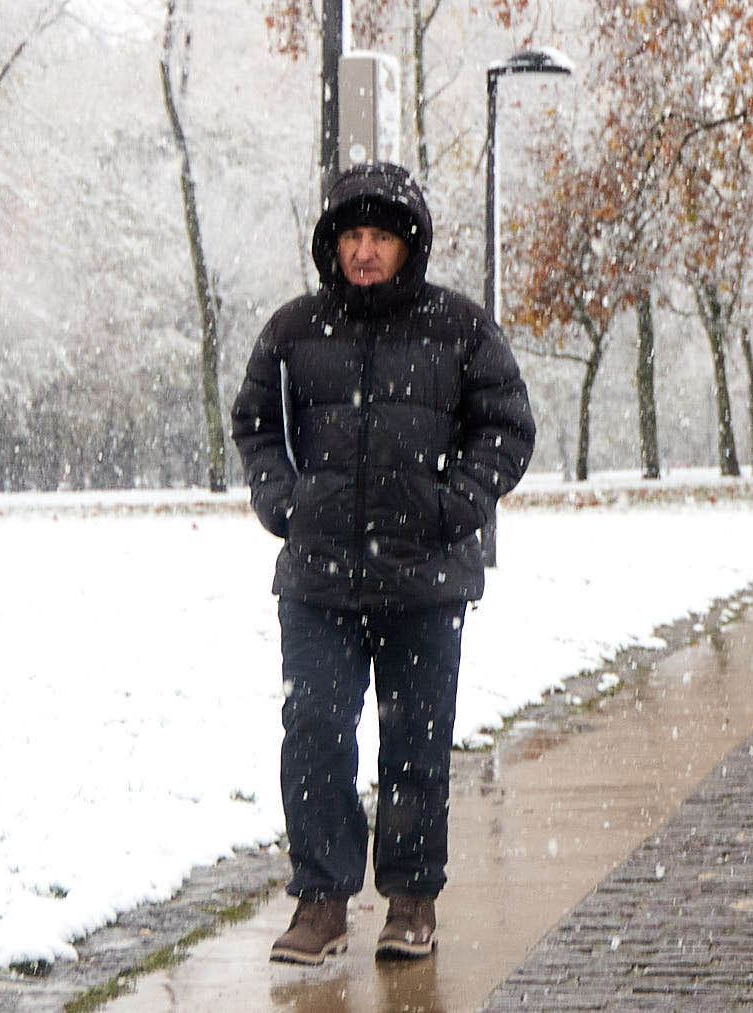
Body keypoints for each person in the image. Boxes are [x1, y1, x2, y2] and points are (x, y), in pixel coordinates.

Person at [231, 161, 536, 963]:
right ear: (331, 244)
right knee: (316, 729)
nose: (365, 252)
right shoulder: (294, 329)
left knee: (416, 741)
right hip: (319, 579)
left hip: (424, 578)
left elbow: (505, 425)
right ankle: (322, 899)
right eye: (352, 236)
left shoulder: (460, 327)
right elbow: (255, 423)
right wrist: (283, 502)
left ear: (410, 246)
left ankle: (411, 898)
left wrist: (455, 503)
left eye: (382, 237)